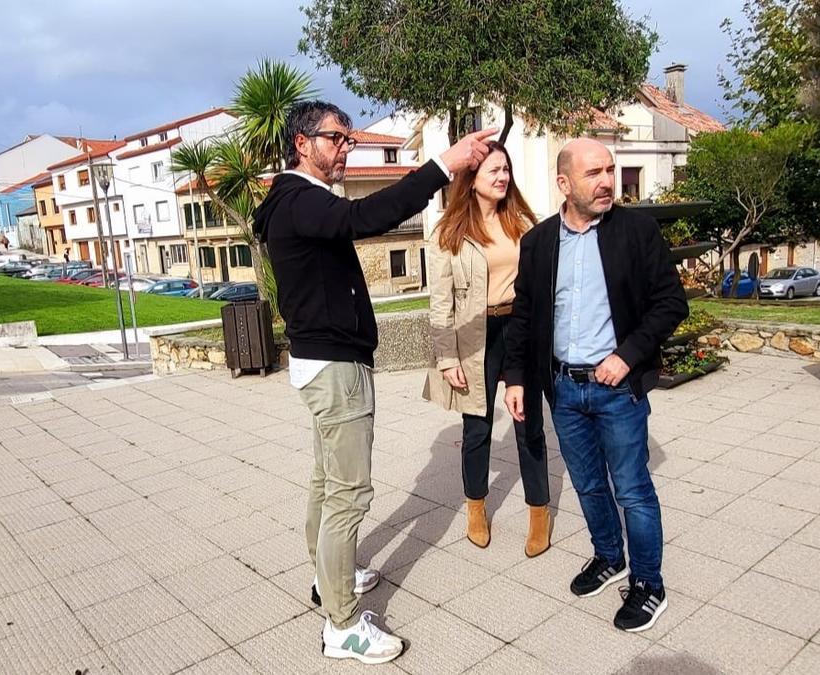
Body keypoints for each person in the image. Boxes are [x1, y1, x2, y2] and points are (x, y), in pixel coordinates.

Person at [253, 100, 495, 665]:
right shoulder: (298, 200)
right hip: (335, 370)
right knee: (348, 494)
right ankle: (340, 626)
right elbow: (366, 219)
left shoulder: (291, 202)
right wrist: (444, 165)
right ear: (302, 143)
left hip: (326, 363)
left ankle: (328, 576)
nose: (345, 149)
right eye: (336, 139)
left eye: (348, 139)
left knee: (327, 480)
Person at [503, 138, 687, 633]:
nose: (607, 181)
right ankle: (609, 556)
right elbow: (524, 317)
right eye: (593, 173)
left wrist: (627, 356)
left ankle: (649, 584)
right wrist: (516, 377)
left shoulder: (637, 231)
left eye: (610, 170)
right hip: (564, 389)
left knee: (631, 489)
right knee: (587, 484)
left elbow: (671, 304)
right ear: (564, 183)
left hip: (617, 390)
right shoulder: (538, 243)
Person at [422, 142, 551, 557]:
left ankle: (538, 512)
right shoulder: (449, 232)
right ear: (470, 179)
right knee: (477, 429)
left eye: (506, 169)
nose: (502, 177)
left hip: (520, 327)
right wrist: (446, 357)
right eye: (493, 170)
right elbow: (440, 302)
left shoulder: (524, 224)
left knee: (527, 424)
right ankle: (475, 508)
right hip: (474, 334)